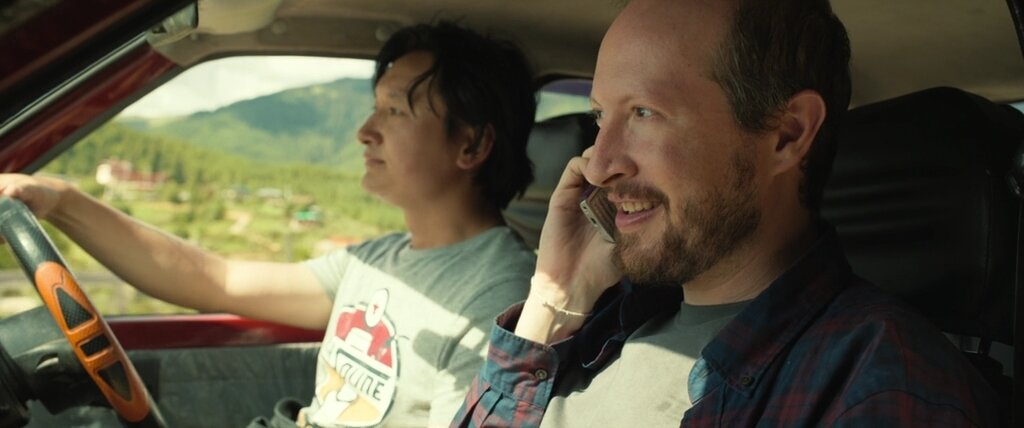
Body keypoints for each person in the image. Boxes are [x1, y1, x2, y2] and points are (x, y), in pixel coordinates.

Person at [452, 0, 1001, 426]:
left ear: (787, 134)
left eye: (644, 113)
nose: (598, 165)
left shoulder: (878, 389)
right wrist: (553, 300)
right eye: (600, 117)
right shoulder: (598, 322)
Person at [0, 21, 538, 428]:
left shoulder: (500, 302)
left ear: (472, 144)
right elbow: (216, 280)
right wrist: (64, 203)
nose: (364, 131)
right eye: (374, 108)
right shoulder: (379, 259)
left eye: (395, 111)